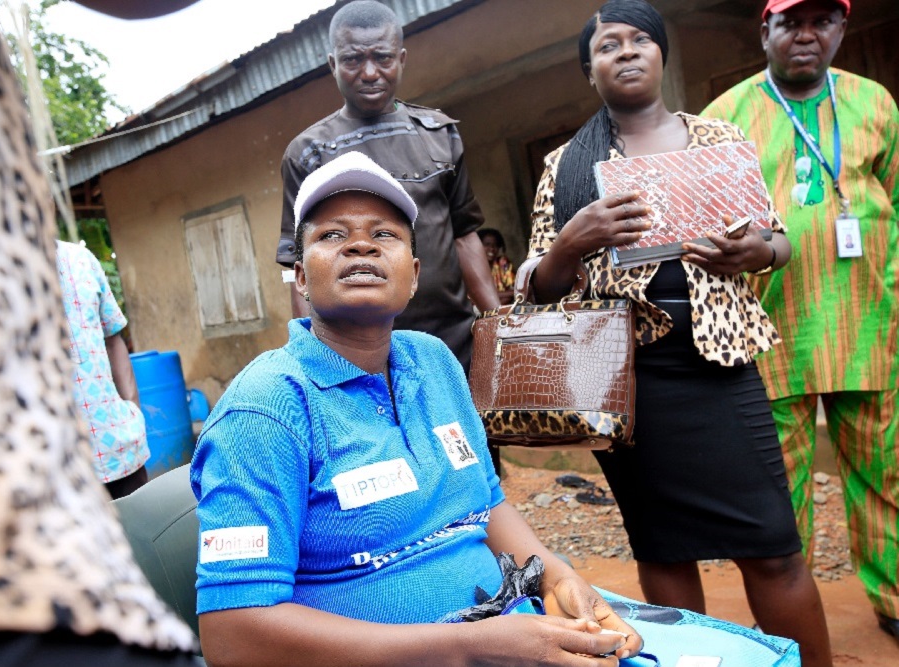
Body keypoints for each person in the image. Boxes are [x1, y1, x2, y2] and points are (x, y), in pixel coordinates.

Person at [193, 151, 644, 667]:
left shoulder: (434, 362)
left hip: (505, 632)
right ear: (300, 276)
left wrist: (556, 576)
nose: (360, 243)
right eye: (332, 235)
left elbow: (487, 504)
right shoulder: (263, 411)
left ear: (412, 274)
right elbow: (232, 636)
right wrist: (472, 647)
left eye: (384, 235)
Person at [525, 1, 831, 664]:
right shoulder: (566, 166)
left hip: (720, 369)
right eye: (610, 45)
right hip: (627, 384)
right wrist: (571, 245)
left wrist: (757, 252)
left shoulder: (716, 139)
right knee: (663, 549)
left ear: (662, 54)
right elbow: (537, 290)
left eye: (641, 40)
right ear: (590, 70)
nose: (627, 52)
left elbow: (777, 241)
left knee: (772, 545)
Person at [0, 1, 203, 664]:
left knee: (136, 549)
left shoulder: (76, 260)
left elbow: (116, 335)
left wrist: (129, 405)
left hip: (103, 451)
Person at [702, 0, 899, 642]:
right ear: (766, 30)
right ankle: (789, 620)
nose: (806, 35)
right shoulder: (724, 117)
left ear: (842, 28)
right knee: (775, 492)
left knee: (886, 473)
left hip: (870, 324)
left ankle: (895, 602)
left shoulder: (877, 105)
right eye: (791, 22)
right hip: (769, 335)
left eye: (823, 21)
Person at [277, 0, 501, 376]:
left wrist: (497, 326)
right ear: (332, 64)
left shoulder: (438, 135)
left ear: (401, 58)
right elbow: (296, 263)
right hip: (356, 351)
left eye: (382, 58)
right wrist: (316, 363)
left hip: (453, 343)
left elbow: (464, 235)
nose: (369, 72)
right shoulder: (308, 154)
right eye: (352, 60)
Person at [56, 240, 150, 499]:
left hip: (118, 450)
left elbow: (113, 338)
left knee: (141, 535)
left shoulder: (81, 259)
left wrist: (134, 411)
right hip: (55, 468)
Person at [478, 228, 517, 305]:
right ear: (478, 246)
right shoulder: (472, 266)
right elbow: (472, 299)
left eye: (495, 245)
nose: (492, 248)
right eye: (487, 244)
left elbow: (515, 291)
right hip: (477, 310)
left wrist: (495, 310)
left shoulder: (503, 263)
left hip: (502, 308)